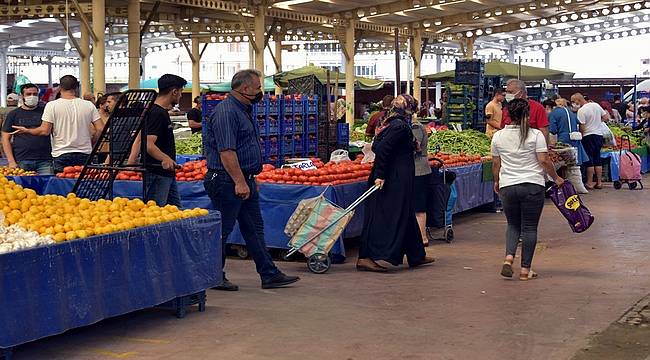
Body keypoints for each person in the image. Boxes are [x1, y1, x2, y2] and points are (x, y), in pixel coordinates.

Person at [203, 69, 299, 290]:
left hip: (242, 179)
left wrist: (247, 178)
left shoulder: (242, 110)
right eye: (257, 89)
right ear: (245, 89)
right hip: (226, 181)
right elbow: (227, 151)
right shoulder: (227, 112)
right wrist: (239, 181)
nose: (260, 93)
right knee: (222, 230)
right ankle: (213, 276)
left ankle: (269, 273)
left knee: (254, 228)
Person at [357, 94, 435, 272]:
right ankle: (366, 256)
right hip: (394, 179)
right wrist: (380, 174)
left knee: (406, 215)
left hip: (398, 177)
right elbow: (383, 149)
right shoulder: (399, 126)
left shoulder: (389, 122)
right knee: (386, 216)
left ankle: (416, 254)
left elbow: (377, 145)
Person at [491, 98, 564, 281]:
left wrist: (497, 181)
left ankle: (509, 258)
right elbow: (544, 161)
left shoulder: (498, 136)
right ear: (527, 115)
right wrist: (556, 178)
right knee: (529, 227)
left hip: (508, 185)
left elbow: (495, 164)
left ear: (508, 114)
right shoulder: (536, 135)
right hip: (532, 186)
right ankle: (525, 270)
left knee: (513, 224)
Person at [11, 75, 103, 173]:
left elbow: (44, 131)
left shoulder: (52, 106)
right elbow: (101, 129)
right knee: (83, 185)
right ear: (76, 87)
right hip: (85, 153)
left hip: (61, 154)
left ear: (60, 87)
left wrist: (27, 130)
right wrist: (92, 142)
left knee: (62, 184)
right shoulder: (88, 105)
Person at [128, 74, 185, 207]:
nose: (181, 96)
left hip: (165, 173)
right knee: (156, 211)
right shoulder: (157, 113)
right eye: (180, 92)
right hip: (157, 173)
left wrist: (132, 159)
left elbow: (140, 137)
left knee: (175, 212)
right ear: (174, 92)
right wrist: (165, 158)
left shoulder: (155, 111)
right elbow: (148, 143)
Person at [1, 84, 52, 174]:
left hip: (45, 160)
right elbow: (5, 139)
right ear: (22, 96)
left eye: (35, 94)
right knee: (21, 187)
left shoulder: (46, 111)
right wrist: (11, 161)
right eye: (28, 94)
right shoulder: (13, 114)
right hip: (21, 160)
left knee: (48, 186)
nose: (32, 97)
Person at [571, 93, 609, 190]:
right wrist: (597, 122)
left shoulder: (581, 111)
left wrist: (581, 136)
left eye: (573, 102)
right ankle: (599, 182)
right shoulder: (596, 105)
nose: (573, 104)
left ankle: (589, 182)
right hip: (599, 136)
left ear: (578, 101)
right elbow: (606, 118)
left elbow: (582, 126)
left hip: (588, 136)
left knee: (589, 160)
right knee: (597, 159)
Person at [501, 79, 550, 145]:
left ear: (521, 93)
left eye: (510, 92)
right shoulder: (506, 109)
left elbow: (544, 131)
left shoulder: (537, 108)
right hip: (510, 148)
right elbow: (502, 129)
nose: (507, 95)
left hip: (530, 149)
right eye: (506, 92)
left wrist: (544, 150)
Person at [411, 113, 433, 247]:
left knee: (419, 206)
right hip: (414, 169)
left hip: (419, 169)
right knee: (416, 205)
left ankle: (422, 237)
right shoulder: (411, 126)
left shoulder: (415, 127)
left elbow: (415, 147)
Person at [547, 98, 589, 165]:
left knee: (565, 163)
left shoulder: (554, 113)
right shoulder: (570, 112)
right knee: (576, 163)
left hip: (564, 140)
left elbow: (553, 130)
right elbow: (578, 122)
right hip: (575, 139)